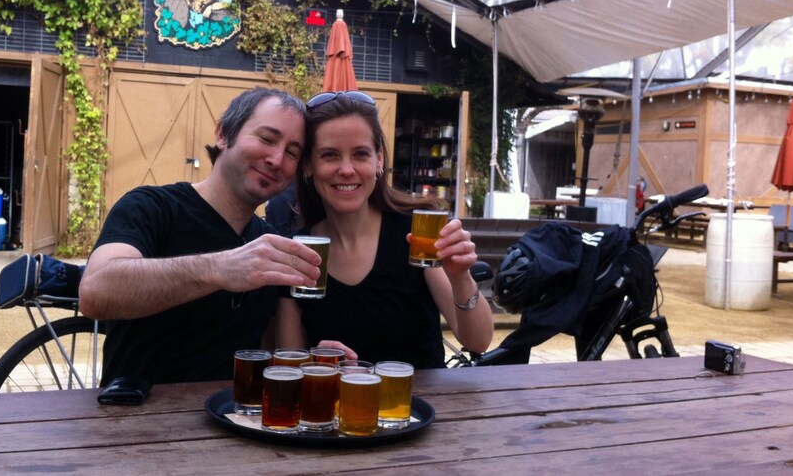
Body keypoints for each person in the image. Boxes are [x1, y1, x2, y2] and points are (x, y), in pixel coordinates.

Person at [79, 87, 322, 385]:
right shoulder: (151, 207)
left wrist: (318, 363)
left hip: (234, 422)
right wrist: (220, 269)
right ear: (223, 134)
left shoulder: (268, 245)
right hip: (137, 424)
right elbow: (95, 292)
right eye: (267, 139)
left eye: (292, 152)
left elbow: (274, 356)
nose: (276, 159)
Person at [275, 91, 493, 369]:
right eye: (329, 155)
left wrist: (461, 277)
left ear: (378, 160)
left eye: (360, 154)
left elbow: (478, 342)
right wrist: (315, 360)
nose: (346, 169)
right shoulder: (297, 251)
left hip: (420, 409)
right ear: (308, 165)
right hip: (335, 409)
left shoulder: (415, 235)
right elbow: (288, 366)